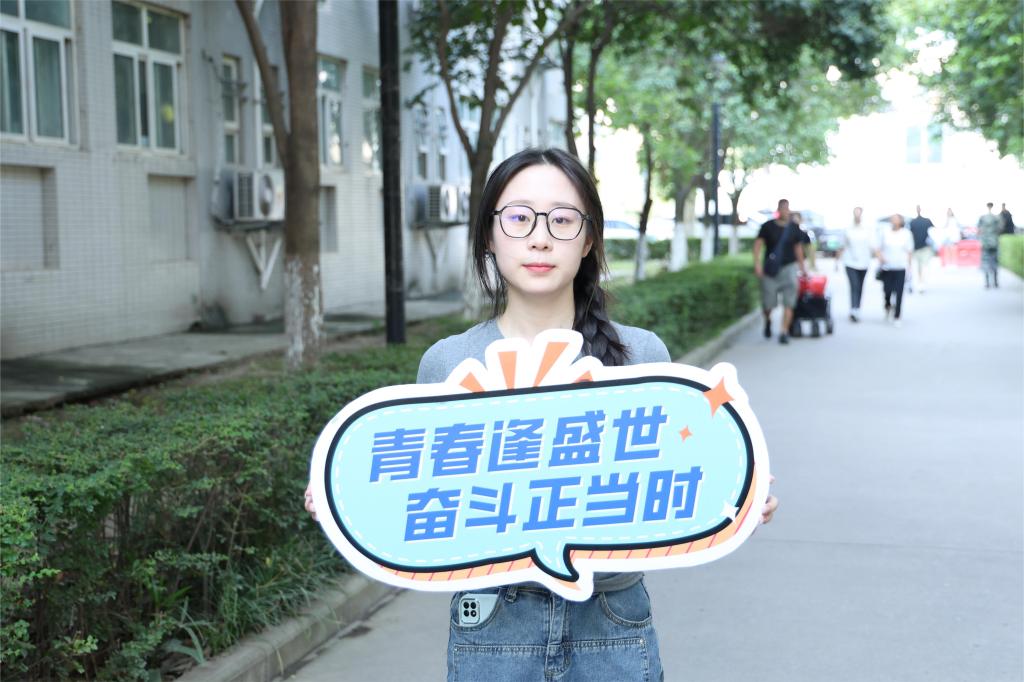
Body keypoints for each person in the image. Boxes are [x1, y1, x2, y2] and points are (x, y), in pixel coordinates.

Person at [305, 148, 778, 681]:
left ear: (589, 238)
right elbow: (414, 493)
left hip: (613, 622)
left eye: (562, 219)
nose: (540, 238)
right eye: (518, 217)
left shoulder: (642, 356)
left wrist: (738, 493)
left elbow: (684, 473)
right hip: (491, 624)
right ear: (489, 235)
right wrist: (344, 496)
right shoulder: (449, 363)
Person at [753, 199, 807, 345]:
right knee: (768, 304)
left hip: (789, 268)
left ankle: (783, 331)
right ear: (778, 210)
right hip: (771, 270)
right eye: (783, 208)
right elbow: (758, 245)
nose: (785, 211)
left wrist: (802, 268)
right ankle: (768, 320)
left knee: (789, 302)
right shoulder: (768, 226)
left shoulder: (794, 228)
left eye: (787, 209)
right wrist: (757, 264)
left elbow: (798, 248)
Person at [874, 214, 914, 327]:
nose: (894, 221)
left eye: (896, 219)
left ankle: (897, 315)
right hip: (887, 267)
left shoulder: (906, 234)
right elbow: (877, 248)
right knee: (887, 291)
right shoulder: (885, 232)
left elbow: (909, 251)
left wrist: (909, 267)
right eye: (892, 219)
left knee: (899, 291)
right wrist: (881, 258)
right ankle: (887, 306)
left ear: (901, 221)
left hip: (900, 267)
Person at [837, 206, 872, 322]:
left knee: (860, 286)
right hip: (850, 262)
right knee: (854, 285)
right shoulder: (847, 229)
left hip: (864, 262)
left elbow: (873, 245)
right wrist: (836, 261)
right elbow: (842, 246)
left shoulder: (867, 229)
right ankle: (853, 309)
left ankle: (857, 308)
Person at [908, 205, 935, 293]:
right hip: (918, 248)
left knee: (922, 267)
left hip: (923, 248)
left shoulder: (914, 222)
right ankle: (920, 283)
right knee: (920, 267)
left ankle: (921, 284)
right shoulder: (914, 222)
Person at [978, 202, 1002, 288]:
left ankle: (987, 282)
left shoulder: (983, 218)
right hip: (994, 242)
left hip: (985, 243)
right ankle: (995, 282)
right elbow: (1000, 228)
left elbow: (979, 230)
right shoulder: (996, 218)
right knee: (995, 261)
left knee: (986, 262)